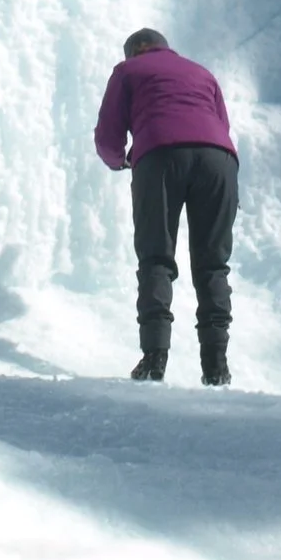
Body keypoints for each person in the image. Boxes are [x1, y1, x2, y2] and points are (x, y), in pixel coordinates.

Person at [93, 28, 237, 385]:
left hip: (160, 154)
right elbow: (222, 123)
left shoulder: (127, 71)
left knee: (156, 256)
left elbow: (108, 135)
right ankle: (216, 366)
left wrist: (119, 161)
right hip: (219, 159)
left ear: (134, 52)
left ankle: (154, 358)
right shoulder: (202, 73)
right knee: (213, 263)